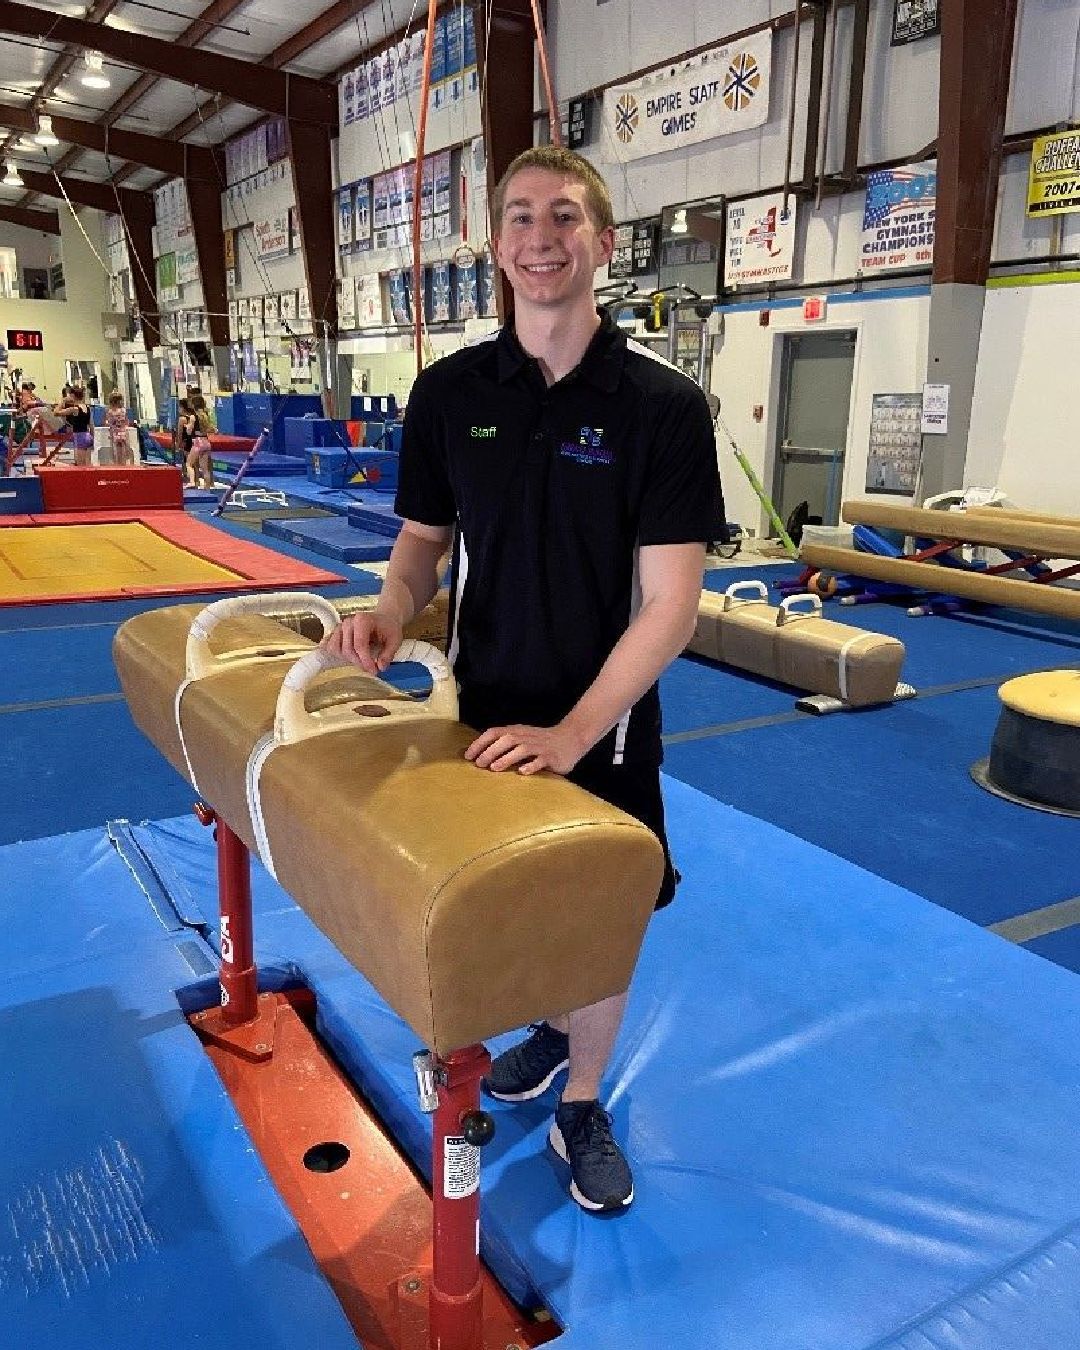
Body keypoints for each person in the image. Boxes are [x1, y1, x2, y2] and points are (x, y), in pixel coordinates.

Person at [323, 145, 717, 1213]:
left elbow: (672, 603)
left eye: (564, 217)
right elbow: (419, 547)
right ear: (495, 245)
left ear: (602, 242)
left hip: (603, 723)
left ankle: (581, 1099)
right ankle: (544, 1031)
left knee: (597, 913)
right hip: (481, 702)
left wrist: (576, 732)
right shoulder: (451, 393)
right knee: (493, 901)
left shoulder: (661, 408)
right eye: (520, 218)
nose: (541, 237)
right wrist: (388, 613)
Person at [55, 383, 92, 466]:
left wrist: (63, 401)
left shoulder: (74, 409)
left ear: (73, 396)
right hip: (87, 435)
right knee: (88, 464)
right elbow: (91, 425)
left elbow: (56, 412)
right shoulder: (88, 407)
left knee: (80, 465)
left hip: (79, 436)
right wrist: (92, 438)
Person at [185, 393, 213, 489]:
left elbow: (189, 432)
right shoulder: (205, 416)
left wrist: (187, 426)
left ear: (193, 405)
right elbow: (212, 429)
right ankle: (207, 488)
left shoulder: (193, 417)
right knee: (205, 470)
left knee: (188, 464)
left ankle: (192, 482)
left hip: (198, 442)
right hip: (206, 442)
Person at [105, 392, 133, 466]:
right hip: (123, 432)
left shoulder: (110, 411)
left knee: (116, 451)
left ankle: (118, 464)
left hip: (115, 432)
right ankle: (124, 464)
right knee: (125, 449)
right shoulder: (123, 410)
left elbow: (107, 422)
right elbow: (127, 421)